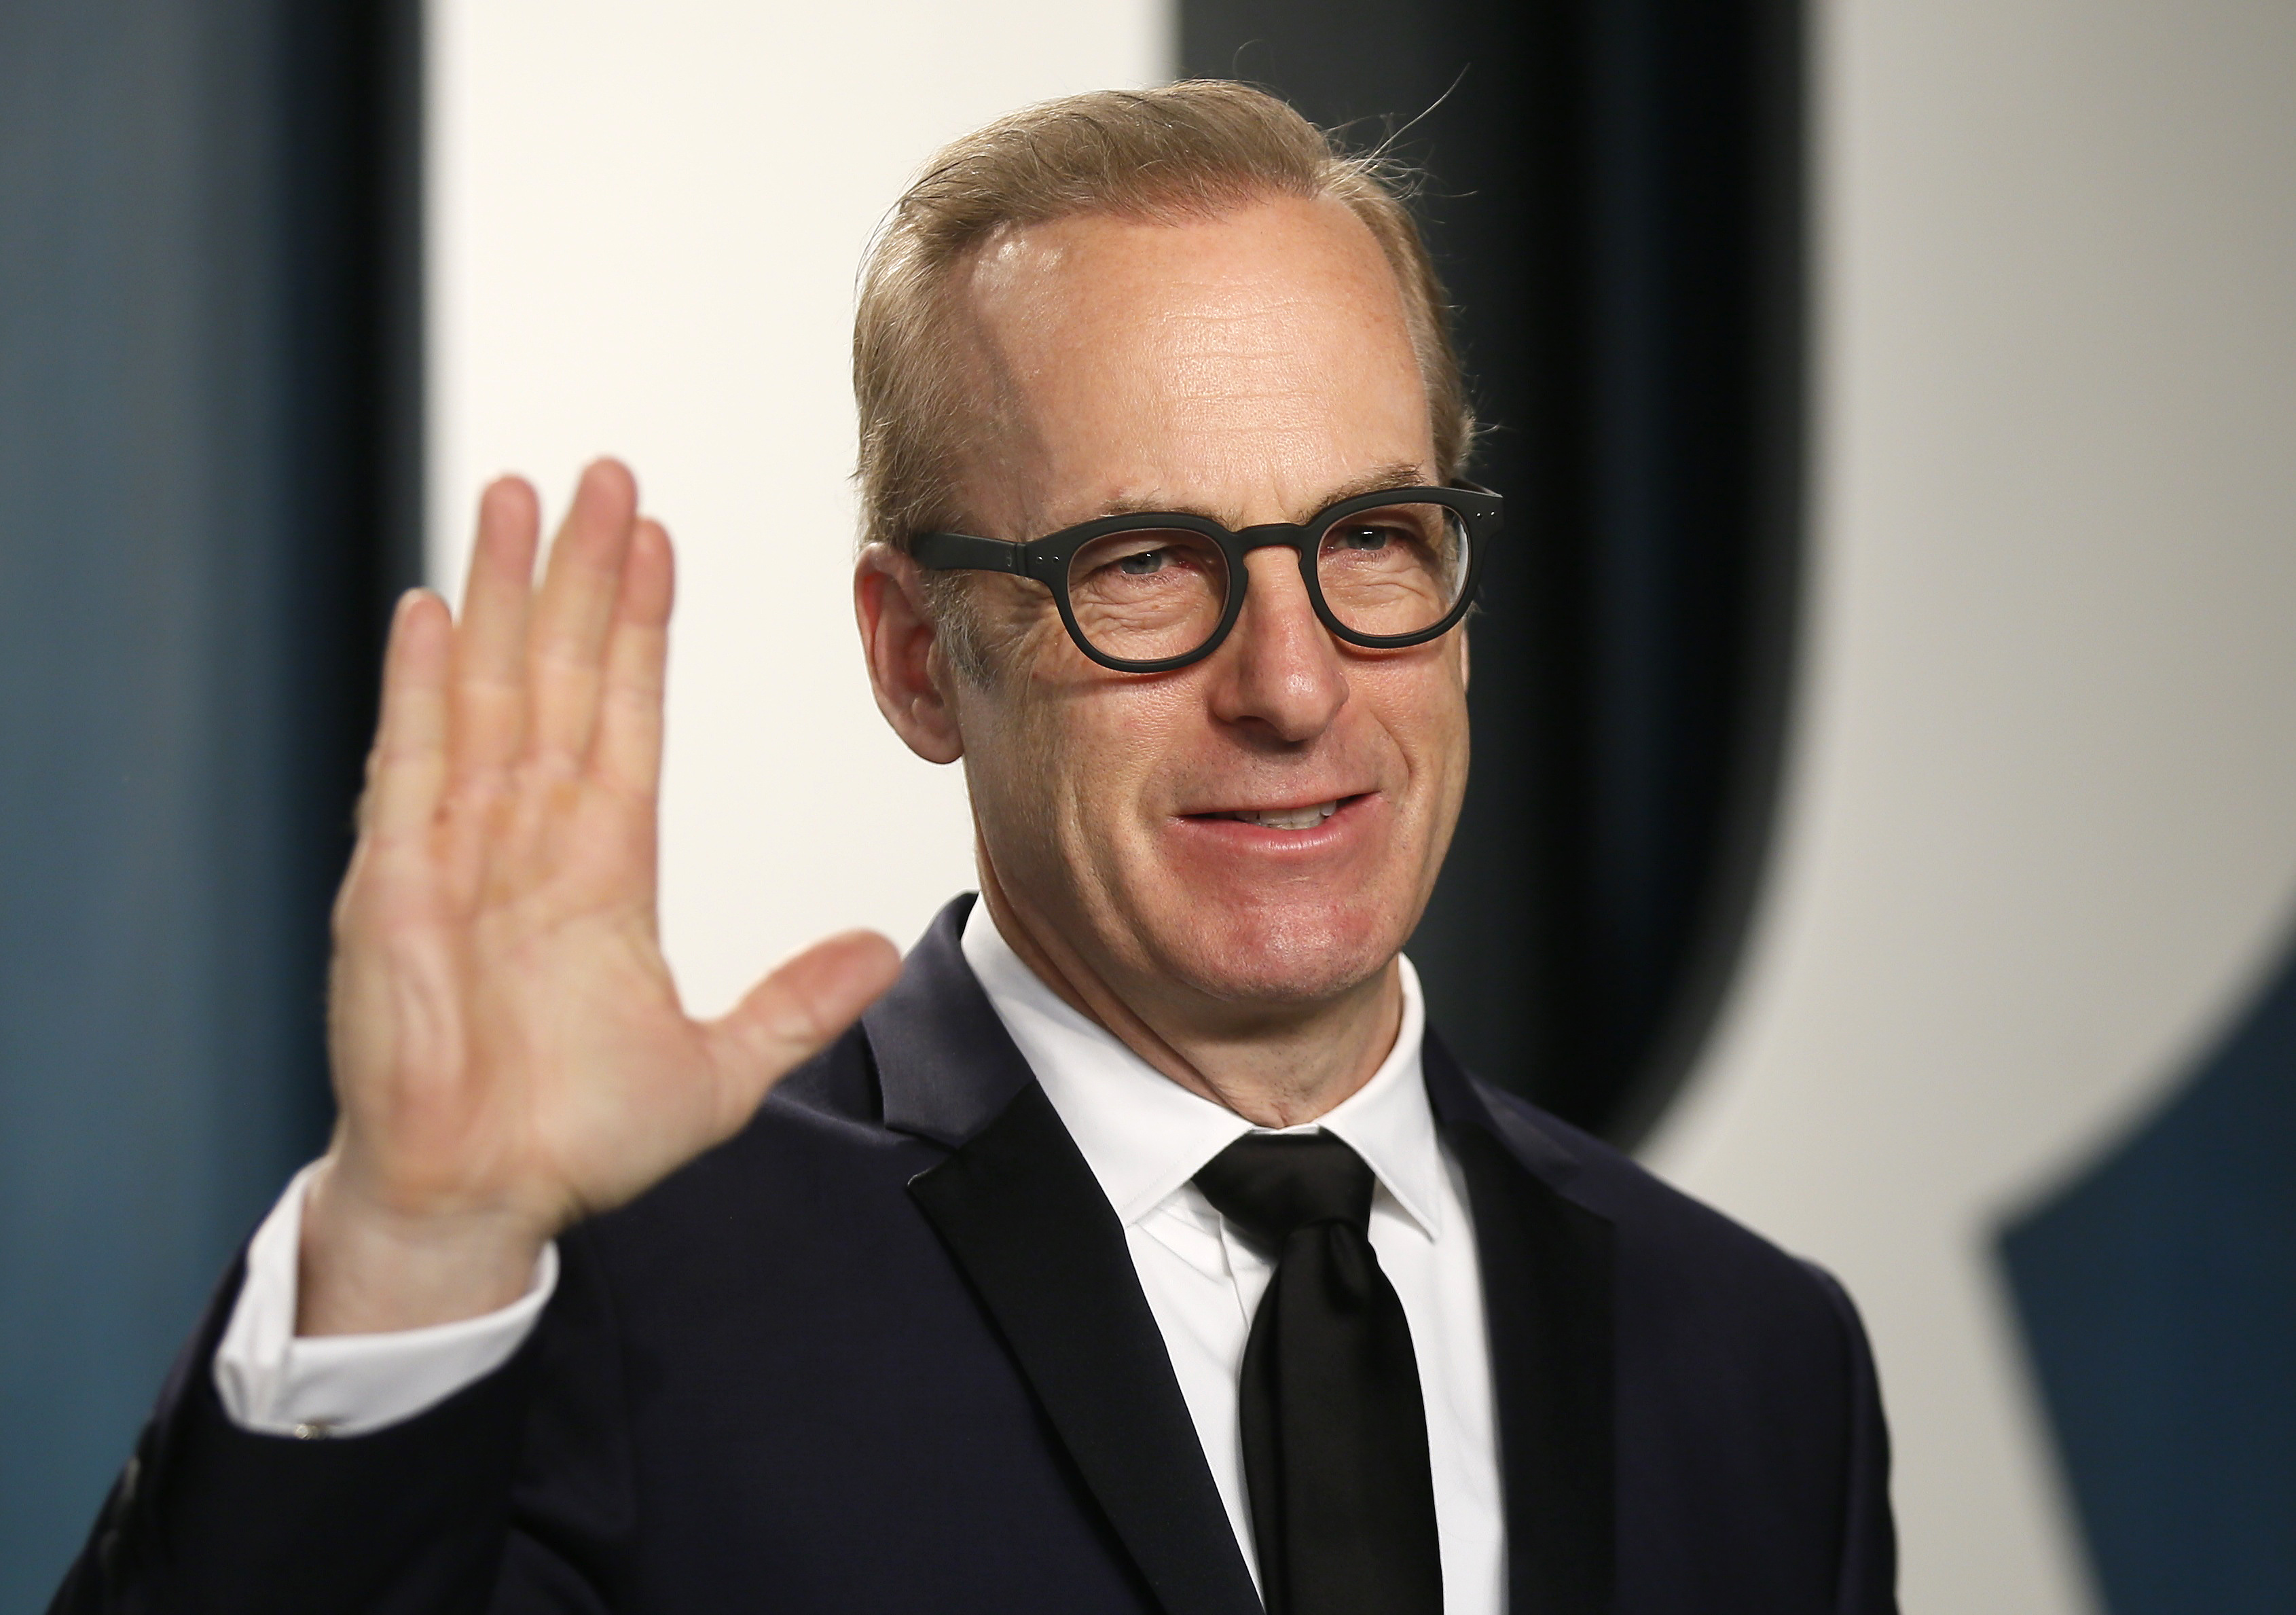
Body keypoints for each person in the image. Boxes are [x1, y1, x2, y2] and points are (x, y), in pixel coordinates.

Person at [53, 83, 1894, 1615]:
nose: (1294, 682)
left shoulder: (1756, 1362)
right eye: (1145, 563)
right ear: (917, 658)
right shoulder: (614, 1303)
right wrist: (413, 1252)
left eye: (1370, 536)